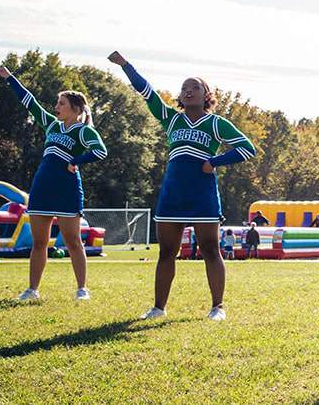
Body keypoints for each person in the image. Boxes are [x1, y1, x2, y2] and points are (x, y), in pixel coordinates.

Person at [109, 51, 257, 321]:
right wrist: (126, 66)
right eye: (184, 88)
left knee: (211, 249)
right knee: (166, 252)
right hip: (173, 193)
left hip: (202, 194)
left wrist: (215, 161)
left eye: (195, 87)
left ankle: (217, 307)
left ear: (206, 94)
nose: (189, 91)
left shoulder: (215, 123)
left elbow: (247, 149)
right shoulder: (171, 118)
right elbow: (148, 93)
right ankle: (158, 308)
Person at [0, 65, 108, 302]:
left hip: (67, 190)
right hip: (42, 189)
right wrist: (10, 78)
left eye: (61, 104)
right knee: (39, 242)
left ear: (75, 109)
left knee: (73, 242)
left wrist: (76, 160)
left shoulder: (83, 131)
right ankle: (32, 289)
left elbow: (101, 151)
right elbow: (30, 102)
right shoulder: (51, 124)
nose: (56, 107)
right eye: (57, 104)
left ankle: (82, 289)